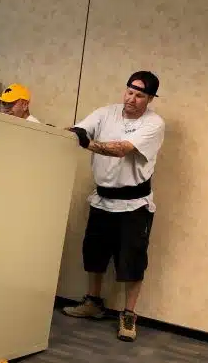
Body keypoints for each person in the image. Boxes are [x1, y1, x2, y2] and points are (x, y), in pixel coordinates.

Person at [62, 71, 165, 342]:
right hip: (102, 199)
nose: (132, 99)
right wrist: (76, 133)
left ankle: (129, 314)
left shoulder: (154, 124)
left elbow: (122, 149)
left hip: (134, 204)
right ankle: (93, 302)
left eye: (140, 95)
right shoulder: (106, 113)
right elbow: (81, 129)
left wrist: (89, 143)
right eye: (129, 92)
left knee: (131, 261)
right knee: (93, 253)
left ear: (150, 98)